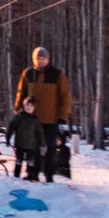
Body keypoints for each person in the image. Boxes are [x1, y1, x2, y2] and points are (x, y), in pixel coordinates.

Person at [14, 47, 71, 183]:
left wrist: (62, 115)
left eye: (43, 58)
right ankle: (32, 173)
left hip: (50, 119)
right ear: (34, 59)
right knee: (32, 148)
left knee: (50, 148)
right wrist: (18, 110)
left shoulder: (57, 75)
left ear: (48, 59)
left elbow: (65, 96)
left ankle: (49, 174)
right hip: (31, 119)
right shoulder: (28, 74)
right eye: (38, 59)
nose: (40, 61)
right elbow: (21, 93)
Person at [5, 97, 44, 181]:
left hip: (31, 145)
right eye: (27, 105)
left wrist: (42, 144)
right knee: (19, 161)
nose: (28, 107)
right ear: (23, 106)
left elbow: (40, 133)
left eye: (31, 106)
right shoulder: (19, 117)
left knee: (30, 162)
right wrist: (8, 137)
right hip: (20, 144)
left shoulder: (35, 120)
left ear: (34, 108)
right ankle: (16, 176)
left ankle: (30, 176)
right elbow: (11, 127)